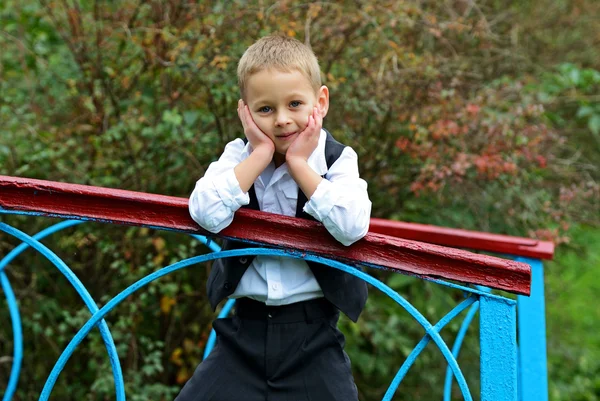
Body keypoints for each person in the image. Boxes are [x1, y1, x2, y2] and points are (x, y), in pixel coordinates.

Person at [180, 34, 371, 401]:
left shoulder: (337, 159)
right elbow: (204, 212)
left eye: (295, 104)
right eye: (265, 110)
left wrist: (300, 165)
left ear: (321, 101)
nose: (282, 121)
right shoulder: (239, 156)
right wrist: (260, 154)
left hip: (313, 336)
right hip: (243, 334)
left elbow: (352, 227)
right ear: (245, 113)